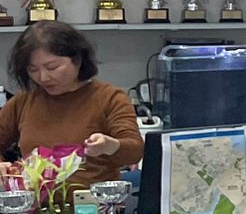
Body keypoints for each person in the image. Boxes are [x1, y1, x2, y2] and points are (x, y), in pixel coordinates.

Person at [0, 21, 143, 186]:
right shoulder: (24, 101)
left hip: (93, 200)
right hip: (35, 201)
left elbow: (135, 151)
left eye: (52, 67)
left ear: (77, 60)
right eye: (33, 70)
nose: (43, 77)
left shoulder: (109, 98)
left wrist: (110, 146)